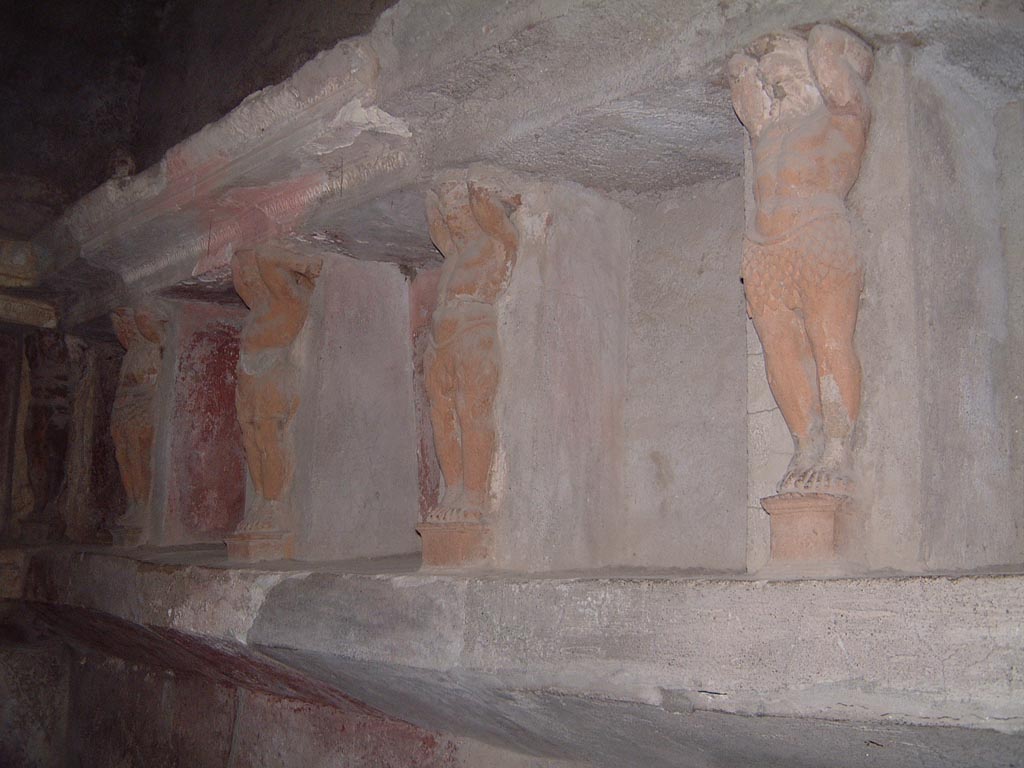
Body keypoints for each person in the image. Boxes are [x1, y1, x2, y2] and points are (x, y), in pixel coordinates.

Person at [729, 24, 873, 495]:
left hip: (820, 236)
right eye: (772, 75)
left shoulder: (840, 113)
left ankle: (838, 450)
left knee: (829, 341)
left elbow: (834, 67)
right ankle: (806, 442)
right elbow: (744, 85)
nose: (774, 79)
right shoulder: (769, 129)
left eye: (785, 69)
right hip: (765, 246)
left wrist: (820, 45)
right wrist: (752, 62)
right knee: (781, 351)